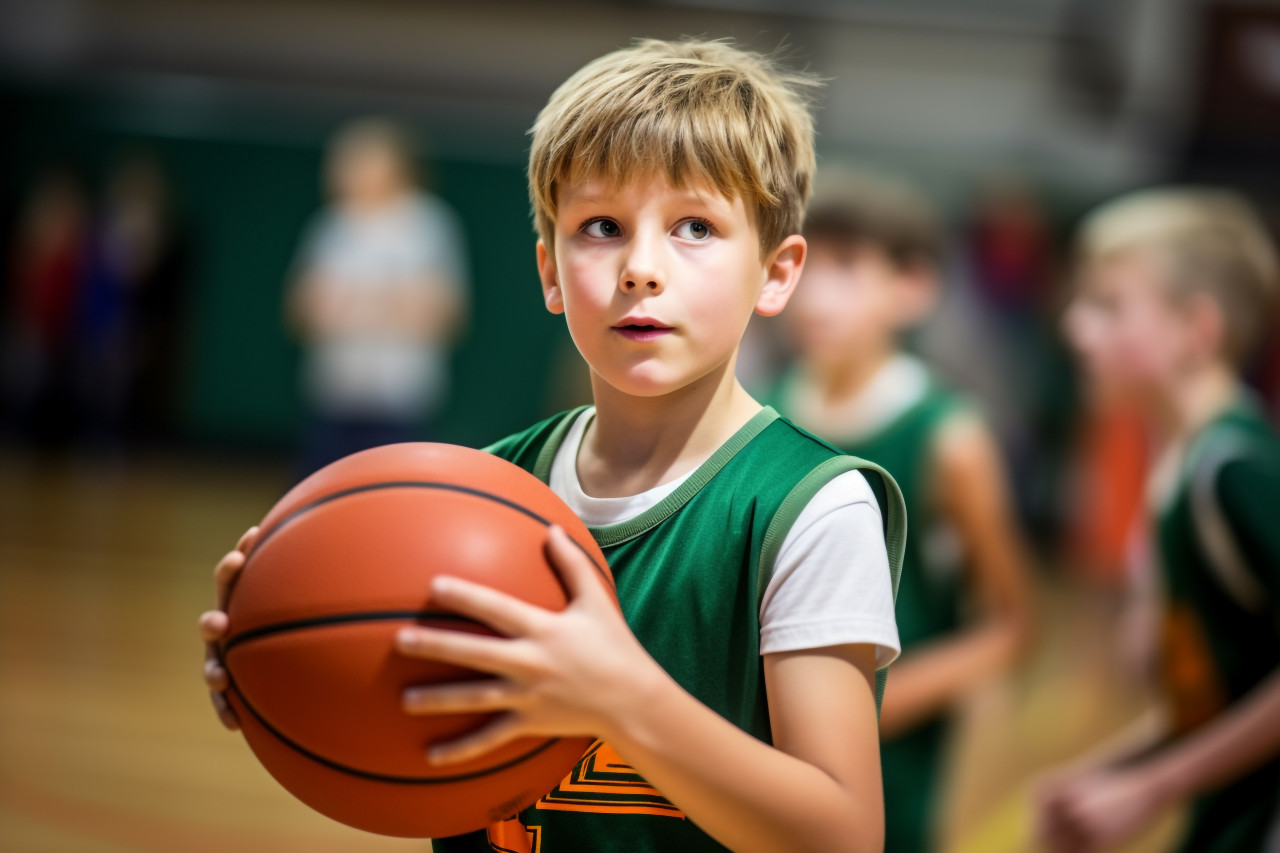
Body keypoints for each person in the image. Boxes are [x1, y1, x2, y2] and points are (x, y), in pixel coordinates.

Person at [201, 38, 908, 853]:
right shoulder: (484, 485)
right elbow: (414, 752)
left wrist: (622, 697)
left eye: (695, 227)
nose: (641, 267)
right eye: (601, 226)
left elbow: (842, 838)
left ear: (776, 273)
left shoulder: (810, 507)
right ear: (548, 268)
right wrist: (282, 673)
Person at [772, 170, 1033, 853]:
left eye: (848, 268)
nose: (818, 295)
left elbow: (1011, 625)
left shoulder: (949, 437)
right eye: (806, 266)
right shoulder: (759, 412)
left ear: (912, 289)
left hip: (889, 771)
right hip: (757, 743)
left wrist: (873, 706)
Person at [1038, 187, 1280, 853]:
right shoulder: (1182, 465)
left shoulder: (1237, 470)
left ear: (1196, 330)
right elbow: (1223, 697)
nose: (1076, 329)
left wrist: (1153, 786)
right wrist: (1116, 771)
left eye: (1109, 306)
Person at [287, 118, 468, 476]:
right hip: (335, 393)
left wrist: (361, 306)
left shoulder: (427, 224)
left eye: (357, 160)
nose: (343, 170)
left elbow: (444, 314)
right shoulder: (330, 226)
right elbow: (302, 309)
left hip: (400, 398)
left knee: (391, 499)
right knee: (318, 498)